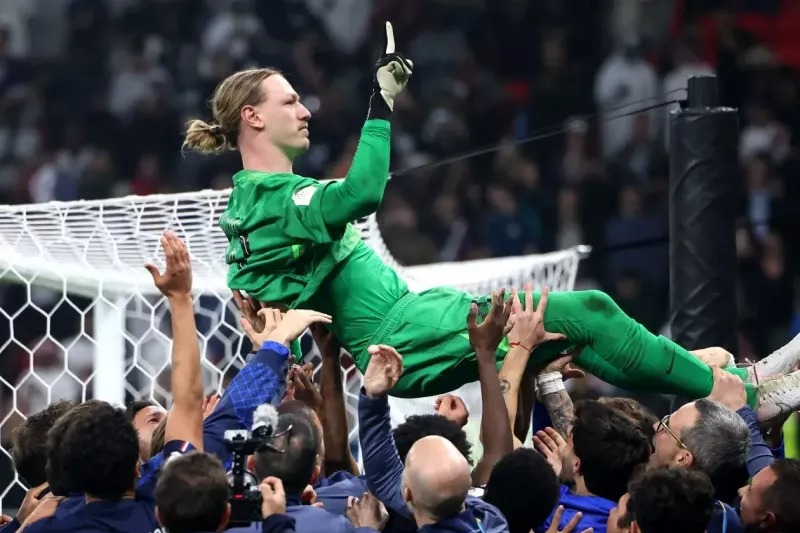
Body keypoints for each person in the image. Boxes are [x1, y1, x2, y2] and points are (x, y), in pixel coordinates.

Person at [182, 20, 800, 421]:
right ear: (252, 118)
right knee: (588, 310)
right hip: (403, 335)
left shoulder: (262, 203)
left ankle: (727, 379)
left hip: (414, 319)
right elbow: (362, 193)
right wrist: (381, 101)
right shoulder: (270, 200)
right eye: (290, 100)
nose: (305, 109)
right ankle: (743, 397)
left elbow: (272, 286)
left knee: (581, 329)